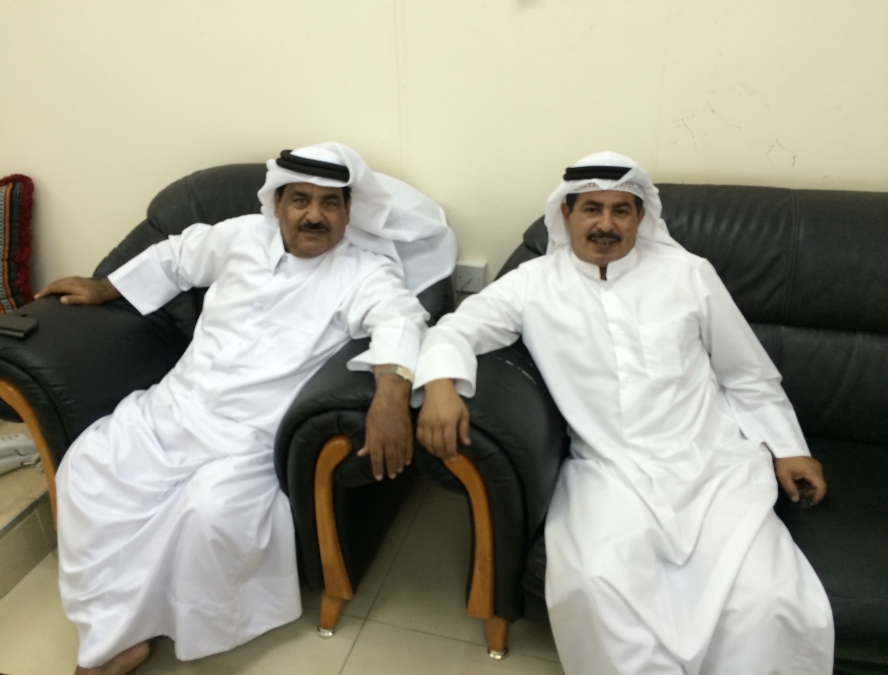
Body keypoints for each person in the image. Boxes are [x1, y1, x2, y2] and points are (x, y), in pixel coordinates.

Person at [36, 142, 456, 675]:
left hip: (247, 437)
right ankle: (111, 627)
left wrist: (391, 396)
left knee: (208, 513)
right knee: (89, 468)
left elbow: (400, 320)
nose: (314, 215)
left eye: (330, 203)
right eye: (300, 199)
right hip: (173, 406)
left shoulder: (364, 272)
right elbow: (175, 257)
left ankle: (120, 641)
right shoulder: (240, 236)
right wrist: (104, 286)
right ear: (277, 203)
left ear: (349, 211)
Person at [415, 152, 833, 674]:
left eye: (621, 210)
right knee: (594, 584)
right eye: (592, 208)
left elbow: (746, 372)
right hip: (610, 469)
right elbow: (456, 328)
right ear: (566, 214)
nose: (606, 225)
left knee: (768, 600)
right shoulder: (532, 284)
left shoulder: (689, 274)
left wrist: (789, 448)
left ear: (641, 217)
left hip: (713, 464)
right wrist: (440, 386)